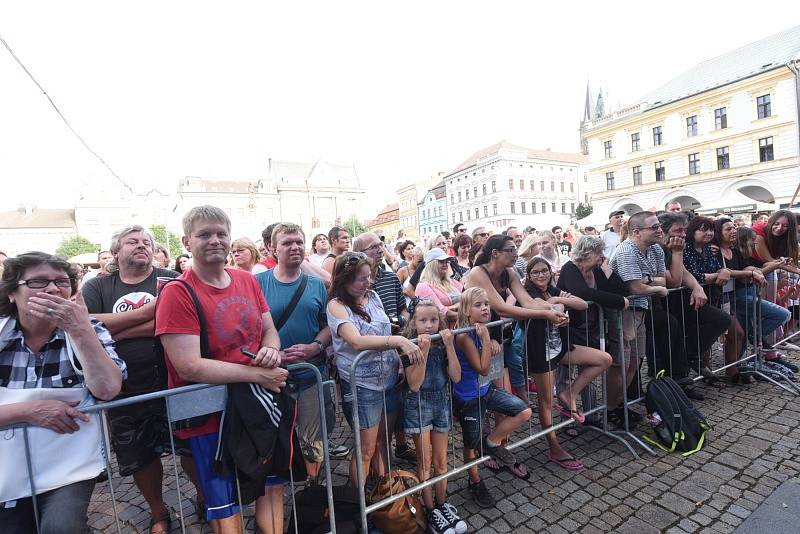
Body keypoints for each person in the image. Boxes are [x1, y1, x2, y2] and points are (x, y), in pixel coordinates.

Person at [156, 206, 289, 534]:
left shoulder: (247, 280)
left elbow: (269, 328)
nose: (214, 240)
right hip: (210, 414)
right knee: (223, 502)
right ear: (187, 242)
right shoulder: (178, 292)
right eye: (204, 234)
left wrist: (271, 348)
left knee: (270, 488)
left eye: (221, 233)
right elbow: (188, 366)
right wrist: (258, 374)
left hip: (256, 404)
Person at [82, 225, 201, 533]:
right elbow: (87, 326)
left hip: (175, 383)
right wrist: (148, 313)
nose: (141, 245)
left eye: (146, 242)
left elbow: (179, 323)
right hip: (125, 389)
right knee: (141, 457)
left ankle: (204, 497)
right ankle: (158, 512)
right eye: (132, 241)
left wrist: (115, 329)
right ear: (116, 251)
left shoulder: (171, 280)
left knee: (190, 449)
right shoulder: (98, 287)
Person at [0, 252, 125, 533]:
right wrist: (27, 411)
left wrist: (80, 330)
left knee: (61, 526)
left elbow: (108, 389)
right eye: (38, 282)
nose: (54, 289)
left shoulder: (89, 329)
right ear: (11, 293)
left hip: (69, 465)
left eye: (62, 281)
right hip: (5, 467)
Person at [255, 223, 344, 484]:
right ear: (272, 248)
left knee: (313, 436)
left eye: (298, 242)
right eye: (286, 243)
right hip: (272, 376)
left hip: (311, 374)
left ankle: (313, 491)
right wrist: (269, 352)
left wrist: (315, 345)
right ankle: (276, 486)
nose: (294, 247)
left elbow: (328, 324)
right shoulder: (256, 283)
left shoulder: (316, 285)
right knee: (275, 435)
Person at [326, 252, 422, 486]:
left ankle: (383, 493)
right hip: (363, 386)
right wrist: (397, 342)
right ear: (344, 279)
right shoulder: (336, 306)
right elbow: (356, 341)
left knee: (383, 441)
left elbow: (385, 328)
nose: (368, 283)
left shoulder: (374, 296)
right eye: (361, 279)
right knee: (366, 448)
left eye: (369, 277)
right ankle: (360, 503)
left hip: (389, 379)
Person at [521, 258, 611, 468]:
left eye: (544, 271)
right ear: (529, 276)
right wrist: (556, 304)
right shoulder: (526, 295)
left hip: (561, 348)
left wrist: (559, 303)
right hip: (540, 353)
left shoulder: (553, 289)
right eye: (535, 273)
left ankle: (569, 393)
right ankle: (554, 447)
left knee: (604, 359)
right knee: (546, 403)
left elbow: (580, 304)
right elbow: (537, 307)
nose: (541, 275)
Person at [452, 287, 532, 507]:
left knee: (524, 410)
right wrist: (487, 338)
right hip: (469, 398)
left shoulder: (480, 329)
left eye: (486, 304)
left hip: (485, 391)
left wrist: (489, 337)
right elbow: (483, 368)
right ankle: (475, 481)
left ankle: (492, 442)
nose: (485, 308)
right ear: (467, 310)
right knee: (470, 444)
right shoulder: (464, 336)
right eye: (478, 305)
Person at [401, 301, 466, 534]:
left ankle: (441, 503)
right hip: (419, 406)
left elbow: (456, 377)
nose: (429, 325)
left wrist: (449, 346)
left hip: (442, 405)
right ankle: (429, 509)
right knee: (424, 461)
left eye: (433, 320)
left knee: (441, 461)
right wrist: (424, 351)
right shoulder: (409, 347)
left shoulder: (442, 344)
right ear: (414, 324)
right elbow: (415, 384)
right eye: (423, 321)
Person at [352, 232, 415, 462]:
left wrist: (403, 320)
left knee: (397, 402)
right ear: (360, 253)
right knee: (371, 426)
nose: (379, 250)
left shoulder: (389, 279)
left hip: (397, 346)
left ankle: (398, 446)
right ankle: (376, 466)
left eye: (381, 245)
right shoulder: (356, 282)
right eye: (373, 247)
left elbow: (403, 306)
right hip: (370, 358)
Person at [608, 212, 670, 421]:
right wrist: (654, 287)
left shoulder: (655, 249)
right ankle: (611, 409)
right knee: (622, 363)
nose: (660, 230)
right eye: (654, 227)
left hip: (640, 310)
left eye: (659, 226)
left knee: (635, 362)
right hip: (624, 312)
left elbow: (663, 280)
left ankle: (619, 405)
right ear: (636, 232)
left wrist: (648, 282)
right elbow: (634, 287)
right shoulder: (626, 251)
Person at [681, 216, 735, 377]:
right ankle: (689, 356)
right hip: (688, 298)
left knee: (712, 324)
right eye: (703, 229)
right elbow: (693, 276)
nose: (709, 233)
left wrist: (724, 271)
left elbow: (719, 269)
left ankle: (693, 358)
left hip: (708, 296)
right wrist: (716, 275)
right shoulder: (686, 248)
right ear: (693, 231)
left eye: (711, 229)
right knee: (722, 319)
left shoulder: (706, 248)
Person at [415, 248, 464, 323]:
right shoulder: (423, 286)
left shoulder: (453, 282)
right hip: (444, 330)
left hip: (460, 327)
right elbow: (441, 312)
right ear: (432, 264)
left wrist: (451, 307)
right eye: (441, 261)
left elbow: (469, 299)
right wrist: (465, 317)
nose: (445, 264)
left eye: (447, 262)